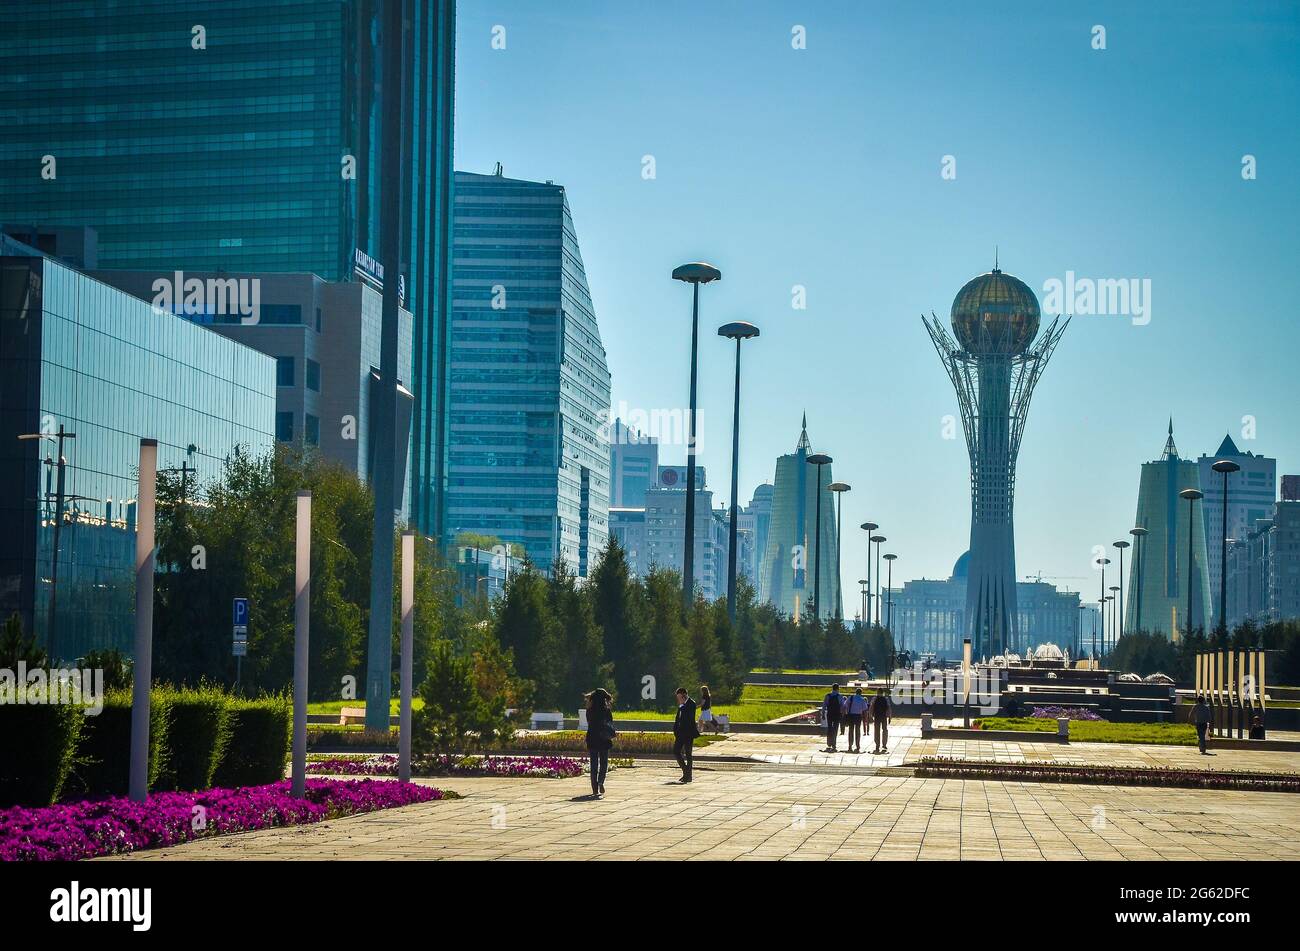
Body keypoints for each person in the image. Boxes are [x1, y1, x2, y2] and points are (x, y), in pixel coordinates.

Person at [584, 687, 615, 798]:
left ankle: (594, 789)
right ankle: (601, 781)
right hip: (604, 739)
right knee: (603, 763)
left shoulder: (590, 710)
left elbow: (588, 722)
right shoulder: (606, 710)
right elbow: (610, 723)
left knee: (594, 764)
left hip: (592, 738)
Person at [673, 687, 699, 783]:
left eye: (679, 697)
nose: (678, 699)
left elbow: (688, 719)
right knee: (676, 751)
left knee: (688, 754)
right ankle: (686, 772)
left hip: (688, 733)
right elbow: (678, 718)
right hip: (680, 733)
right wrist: (675, 730)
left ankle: (688, 775)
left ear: (684, 695)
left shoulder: (691, 704)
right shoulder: (681, 705)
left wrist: (682, 705)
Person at [844, 687, 868, 753]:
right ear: (861, 693)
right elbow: (865, 710)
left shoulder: (851, 697)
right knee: (857, 731)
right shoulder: (862, 699)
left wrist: (846, 713)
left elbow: (845, 705)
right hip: (858, 716)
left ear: (856, 692)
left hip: (851, 715)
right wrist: (865, 718)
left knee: (851, 730)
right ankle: (857, 745)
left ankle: (850, 745)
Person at [822, 683, 843, 752]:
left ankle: (829, 743)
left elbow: (824, 705)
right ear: (838, 688)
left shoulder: (828, 696)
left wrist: (823, 714)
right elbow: (842, 706)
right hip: (837, 714)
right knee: (835, 729)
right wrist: (843, 714)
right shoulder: (839, 696)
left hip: (830, 714)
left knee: (830, 728)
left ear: (832, 688)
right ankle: (834, 744)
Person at [870, 687, 891, 754]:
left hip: (877, 716)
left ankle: (877, 744)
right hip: (884, 716)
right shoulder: (886, 699)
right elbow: (888, 708)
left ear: (877, 692)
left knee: (877, 730)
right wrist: (890, 716)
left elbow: (871, 707)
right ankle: (884, 744)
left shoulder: (874, 698)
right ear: (883, 692)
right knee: (884, 730)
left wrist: (870, 715)